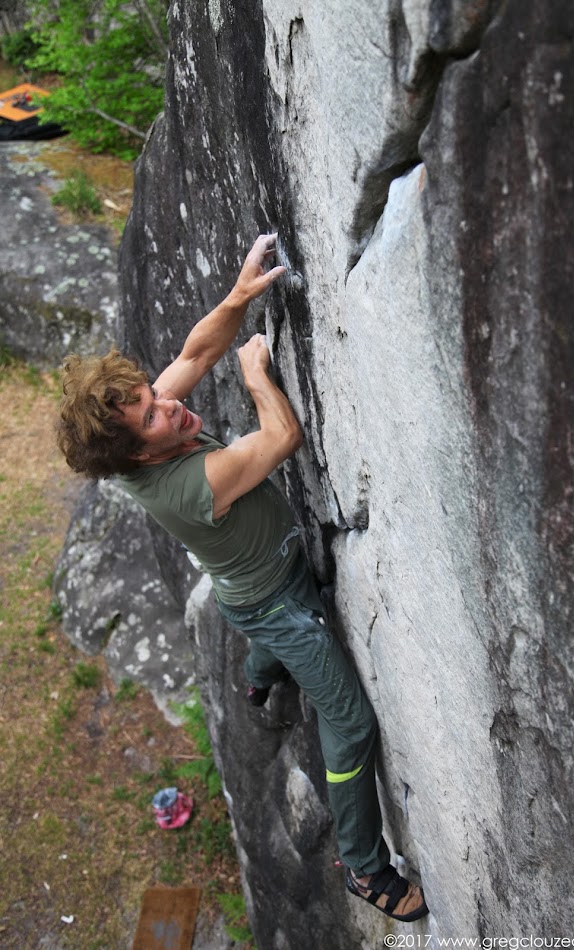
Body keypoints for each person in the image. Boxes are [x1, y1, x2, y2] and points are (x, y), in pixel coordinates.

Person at [57, 233, 428, 922]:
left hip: (247, 589)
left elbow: (196, 353)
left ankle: (259, 679)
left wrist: (238, 295)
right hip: (280, 604)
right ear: (137, 456)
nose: (169, 405)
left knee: (257, 629)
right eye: (152, 414)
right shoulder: (183, 486)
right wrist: (257, 375)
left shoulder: (140, 434)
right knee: (348, 725)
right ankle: (364, 867)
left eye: (151, 395)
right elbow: (279, 438)